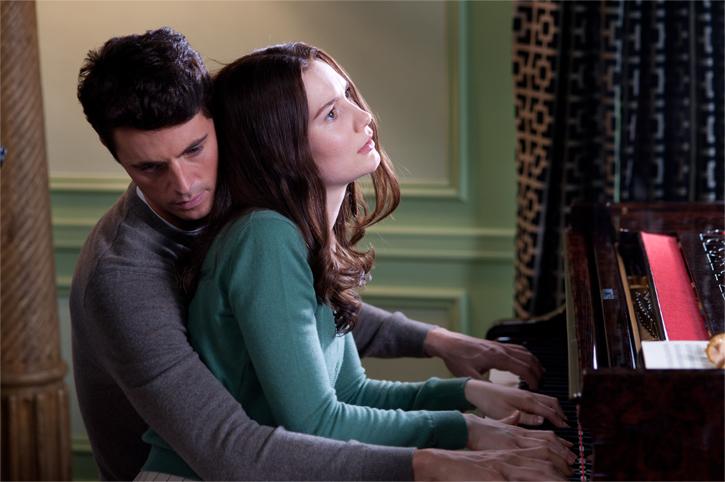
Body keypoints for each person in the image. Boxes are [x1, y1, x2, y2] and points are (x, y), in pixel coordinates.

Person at [71, 27, 565, 481]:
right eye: (150, 168)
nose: (184, 185)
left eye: (195, 149)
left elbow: (292, 323)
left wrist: (441, 351)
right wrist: (449, 448)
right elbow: (230, 450)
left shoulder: (265, 214)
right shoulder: (125, 275)